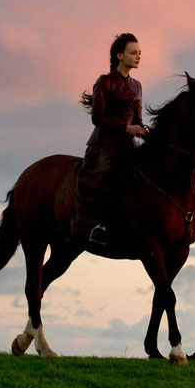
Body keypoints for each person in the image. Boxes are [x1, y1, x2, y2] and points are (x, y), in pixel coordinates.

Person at [71, 33, 146, 245]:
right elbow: (97, 118)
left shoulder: (137, 85)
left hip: (127, 145)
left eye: (140, 53)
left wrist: (143, 131)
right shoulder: (105, 82)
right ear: (120, 55)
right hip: (103, 145)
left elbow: (138, 120)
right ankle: (100, 225)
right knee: (115, 175)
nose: (138, 56)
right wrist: (126, 128)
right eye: (133, 53)